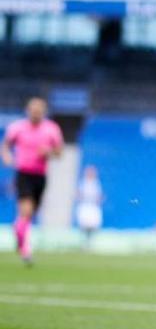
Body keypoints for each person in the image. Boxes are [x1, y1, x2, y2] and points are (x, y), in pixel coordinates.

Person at [1, 97, 64, 266]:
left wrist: (49, 152)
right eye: (33, 110)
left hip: (40, 176)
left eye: (39, 111)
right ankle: (25, 249)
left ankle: (19, 232)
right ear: (28, 110)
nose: (35, 114)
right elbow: (5, 145)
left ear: (44, 112)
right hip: (23, 174)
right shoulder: (17, 128)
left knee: (30, 214)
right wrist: (7, 157)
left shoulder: (51, 129)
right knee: (26, 210)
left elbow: (59, 152)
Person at [76, 165, 104, 245]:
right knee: (84, 225)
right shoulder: (83, 182)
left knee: (93, 225)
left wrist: (99, 199)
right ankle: (83, 242)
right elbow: (78, 194)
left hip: (93, 207)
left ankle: (90, 242)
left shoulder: (96, 183)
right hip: (85, 206)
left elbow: (99, 195)